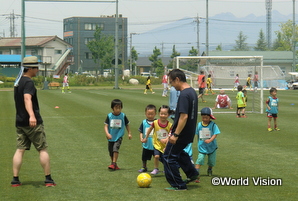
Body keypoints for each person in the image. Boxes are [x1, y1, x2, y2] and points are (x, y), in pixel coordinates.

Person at [12, 56, 56, 187]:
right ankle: (48, 179)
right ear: (29, 68)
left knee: (20, 150)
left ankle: (15, 179)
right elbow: (27, 99)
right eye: (36, 67)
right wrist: (32, 115)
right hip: (32, 123)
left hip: (20, 122)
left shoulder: (18, 81)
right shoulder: (28, 83)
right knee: (42, 149)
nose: (37, 70)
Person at [163, 69, 199, 191]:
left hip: (181, 132)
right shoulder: (192, 92)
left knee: (168, 157)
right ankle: (192, 173)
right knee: (178, 152)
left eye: (172, 82)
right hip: (189, 131)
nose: (171, 85)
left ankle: (178, 184)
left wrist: (175, 134)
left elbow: (184, 116)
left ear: (177, 79)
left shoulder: (184, 94)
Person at [142, 105, 172, 175]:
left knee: (165, 158)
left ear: (168, 115)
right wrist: (146, 137)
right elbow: (150, 129)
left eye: (165, 114)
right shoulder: (155, 123)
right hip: (157, 144)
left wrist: (166, 141)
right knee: (156, 156)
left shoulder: (170, 125)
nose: (163, 115)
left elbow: (170, 135)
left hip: (165, 146)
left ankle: (166, 169)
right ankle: (156, 168)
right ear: (159, 114)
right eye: (161, 113)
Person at [104, 99, 132, 170]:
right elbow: (106, 126)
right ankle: (114, 164)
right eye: (116, 108)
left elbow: (127, 125)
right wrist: (107, 133)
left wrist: (129, 133)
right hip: (111, 136)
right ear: (112, 108)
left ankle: (113, 163)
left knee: (115, 149)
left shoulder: (123, 116)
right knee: (110, 151)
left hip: (119, 136)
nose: (118, 110)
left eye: (119, 108)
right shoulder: (109, 116)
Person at [195, 107, 220, 181]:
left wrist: (210, 140)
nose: (205, 119)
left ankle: (210, 169)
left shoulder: (213, 125)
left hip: (211, 147)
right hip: (202, 147)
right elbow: (196, 133)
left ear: (210, 117)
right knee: (200, 159)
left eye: (207, 118)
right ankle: (196, 173)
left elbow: (216, 133)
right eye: (203, 117)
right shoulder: (199, 125)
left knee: (211, 161)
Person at [138, 104, 157, 173]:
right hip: (146, 144)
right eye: (148, 114)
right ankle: (144, 167)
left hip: (155, 144)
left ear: (155, 114)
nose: (150, 116)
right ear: (145, 113)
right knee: (144, 157)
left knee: (157, 157)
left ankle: (156, 168)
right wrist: (141, 139)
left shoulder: (157, 122)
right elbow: (141, 131)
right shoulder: (144, 122)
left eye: (152, 114)